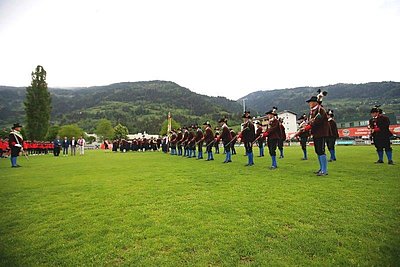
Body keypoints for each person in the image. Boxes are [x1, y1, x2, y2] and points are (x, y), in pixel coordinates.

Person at [303, 90, 329, 176]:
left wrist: (309, 126)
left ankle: (324, 170)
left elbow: (318, 121)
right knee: (318, 151)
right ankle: (321, 168)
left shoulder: (320, 110)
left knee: (321, 151)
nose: (309, 104)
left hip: (321, 133)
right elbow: (311, 121)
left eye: (310, 102)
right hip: (316, 133)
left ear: (315, 102)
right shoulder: (312, 112)